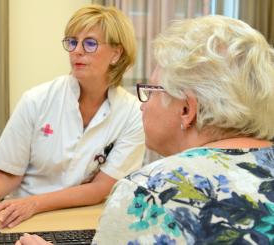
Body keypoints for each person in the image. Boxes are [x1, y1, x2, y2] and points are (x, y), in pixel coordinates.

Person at [16, 15, 274, 245]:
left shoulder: (152, 191)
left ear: (187, 110)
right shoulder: (39, 98)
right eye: (73, 42)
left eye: (151, 91)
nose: (143, 106)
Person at [0, 4, 146, 229]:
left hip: (84, 218)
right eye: (72, 42)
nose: (77, 51)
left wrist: (34, 203)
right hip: (23, 217)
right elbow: (8, 173)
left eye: (90, 43)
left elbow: (100, 189)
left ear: (116, 53)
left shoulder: (132, 113)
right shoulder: (37, 100)